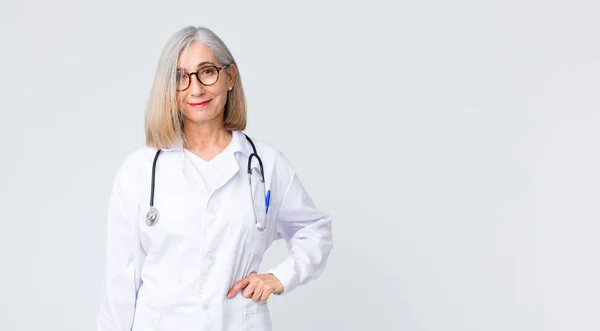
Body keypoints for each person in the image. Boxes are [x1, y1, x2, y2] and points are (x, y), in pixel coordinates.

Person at [96, 25, 333, 331]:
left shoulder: (266, 165)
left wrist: (280, 277)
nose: (195, 89)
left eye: (207, 72)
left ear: (230, 76)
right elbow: (119, 283)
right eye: (181, 77)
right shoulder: (140, 172)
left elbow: (315, 232)